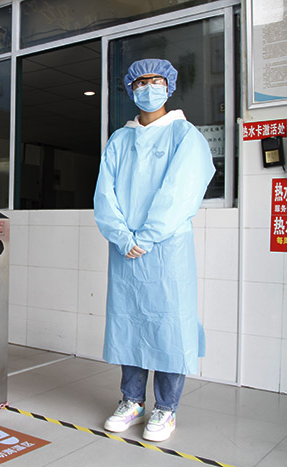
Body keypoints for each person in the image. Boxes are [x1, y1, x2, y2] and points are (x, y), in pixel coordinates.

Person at [93, 58, 215, 442]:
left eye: (156, 81)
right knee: (129, 324)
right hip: (125, 249)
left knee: (169, 326)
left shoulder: (185, 136)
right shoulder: (119, 139)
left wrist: (146, 237)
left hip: (166, 249)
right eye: (141, 82)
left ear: (169, 86)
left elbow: (181, 192)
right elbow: (104, 194)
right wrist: (122, 236)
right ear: (131, 89)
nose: (148, 88)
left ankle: (166, 407)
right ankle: (132, 400)